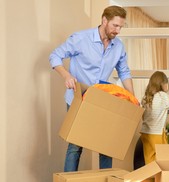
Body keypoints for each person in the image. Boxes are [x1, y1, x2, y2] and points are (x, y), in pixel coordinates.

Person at [49, 5, 136, 172]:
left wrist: (132, 98)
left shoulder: (118, 46)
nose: (118, 30)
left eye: (121, 27)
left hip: (102, 100)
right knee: (75, 146)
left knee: (106, 147)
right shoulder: (81, 39)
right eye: (115, 26)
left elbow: (124, 71)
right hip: (79, 99)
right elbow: (55, 55)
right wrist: (66, 75)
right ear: (104, 20)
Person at [140, 71, 169, 164]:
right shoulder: (163, 96)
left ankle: (151, 178)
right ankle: (161, 178)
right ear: (163, 84)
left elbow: (143, 116)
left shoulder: (146, 97)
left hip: (145, 132)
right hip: (157, 133)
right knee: (163, 159)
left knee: (149, 159)